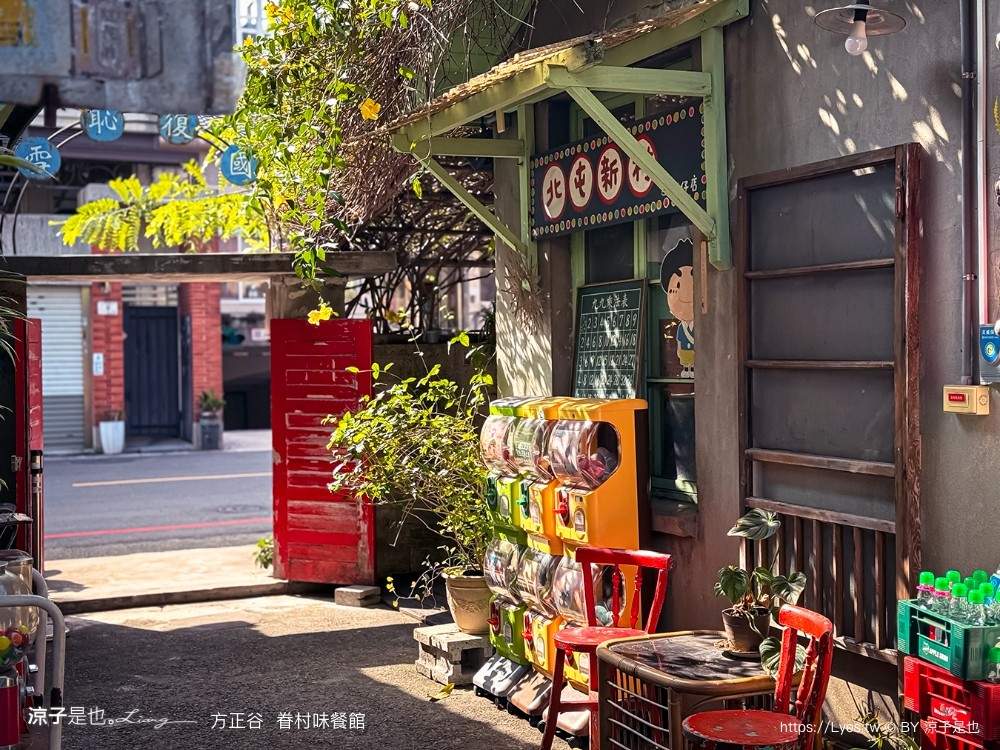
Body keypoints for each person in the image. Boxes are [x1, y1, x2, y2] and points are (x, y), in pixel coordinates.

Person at [660, 238, 695, 378]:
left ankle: (690, 369)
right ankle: (687, 370)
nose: (685, 296)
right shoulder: (681, 328)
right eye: (677, 287)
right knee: (686, 361)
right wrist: (679, 351)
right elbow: (679, 342)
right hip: (686, 353)